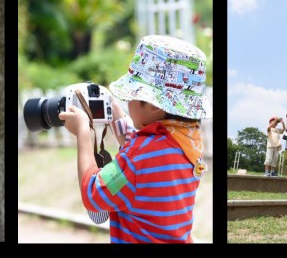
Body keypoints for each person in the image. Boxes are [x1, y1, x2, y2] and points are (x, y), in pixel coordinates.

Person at [59, 34, 208, 243]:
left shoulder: (139, 156)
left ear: (155, 105)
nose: (127, 101)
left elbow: (93, 194)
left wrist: (83, 133)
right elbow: (146, 157)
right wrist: (116, 115)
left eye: (131, 96)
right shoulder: (187, 141)